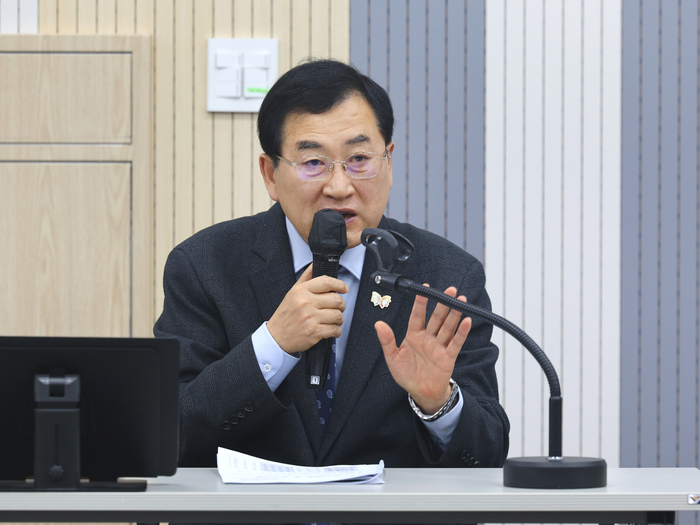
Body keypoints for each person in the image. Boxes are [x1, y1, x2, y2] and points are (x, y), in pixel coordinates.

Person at [154, 58, 509, 470]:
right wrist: (273, 344)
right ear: (270, 174)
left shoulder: (446, 275)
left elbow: (487, 455)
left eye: (359, 158)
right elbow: (169, 432)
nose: (340, 187)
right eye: (312, 163)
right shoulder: (205, 266)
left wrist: (438, 402)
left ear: (388, 163)